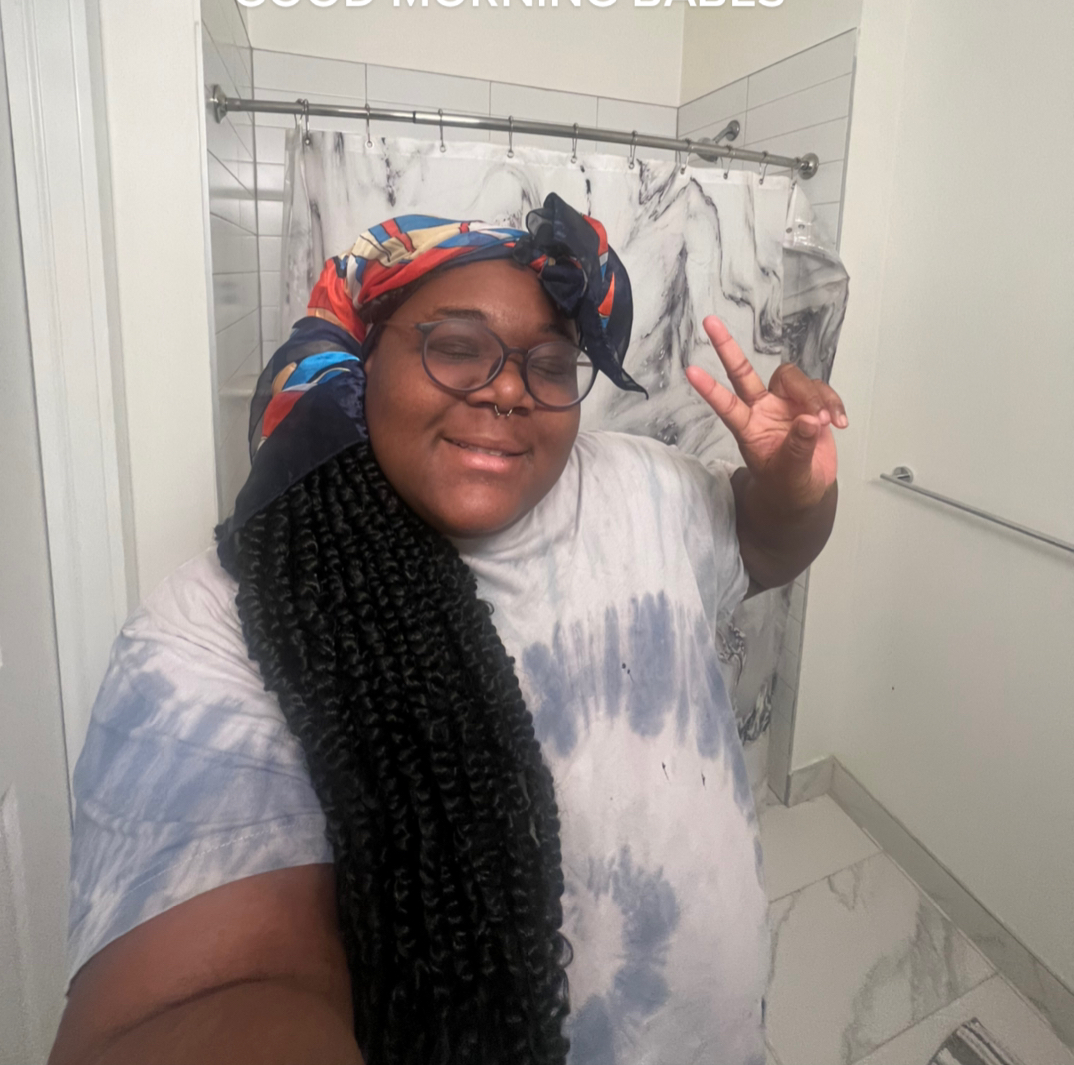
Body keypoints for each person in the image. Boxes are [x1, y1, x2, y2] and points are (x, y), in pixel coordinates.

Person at [49, 194, 845, 1065]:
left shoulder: (644, 485)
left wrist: (793, 493)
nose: (507, 388)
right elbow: (208, 996)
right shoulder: (212, 633)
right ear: (364, 361)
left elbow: (763, 549)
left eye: (550, 364)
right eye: (457, 347)